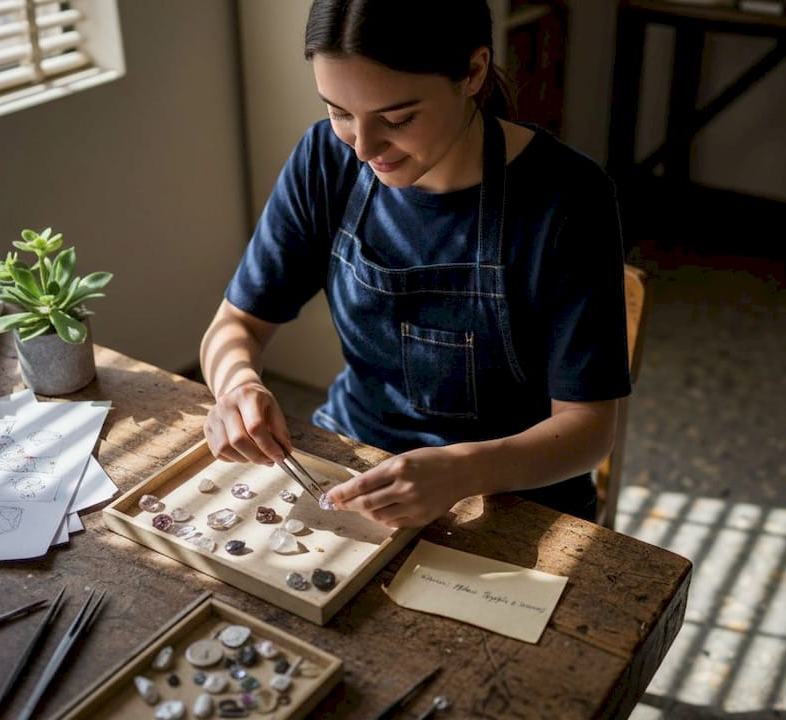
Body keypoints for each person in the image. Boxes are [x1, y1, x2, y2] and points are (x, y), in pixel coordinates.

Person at [200, 0, 630, 528]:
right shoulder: (324, 159)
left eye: (398, 118)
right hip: (354, 457)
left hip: (516, 494)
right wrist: (237, 384)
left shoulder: (570, 199)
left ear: (472, 72)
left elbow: (588, 429)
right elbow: (236, 324)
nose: (362, 148)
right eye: (338, 112)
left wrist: (460, 471)